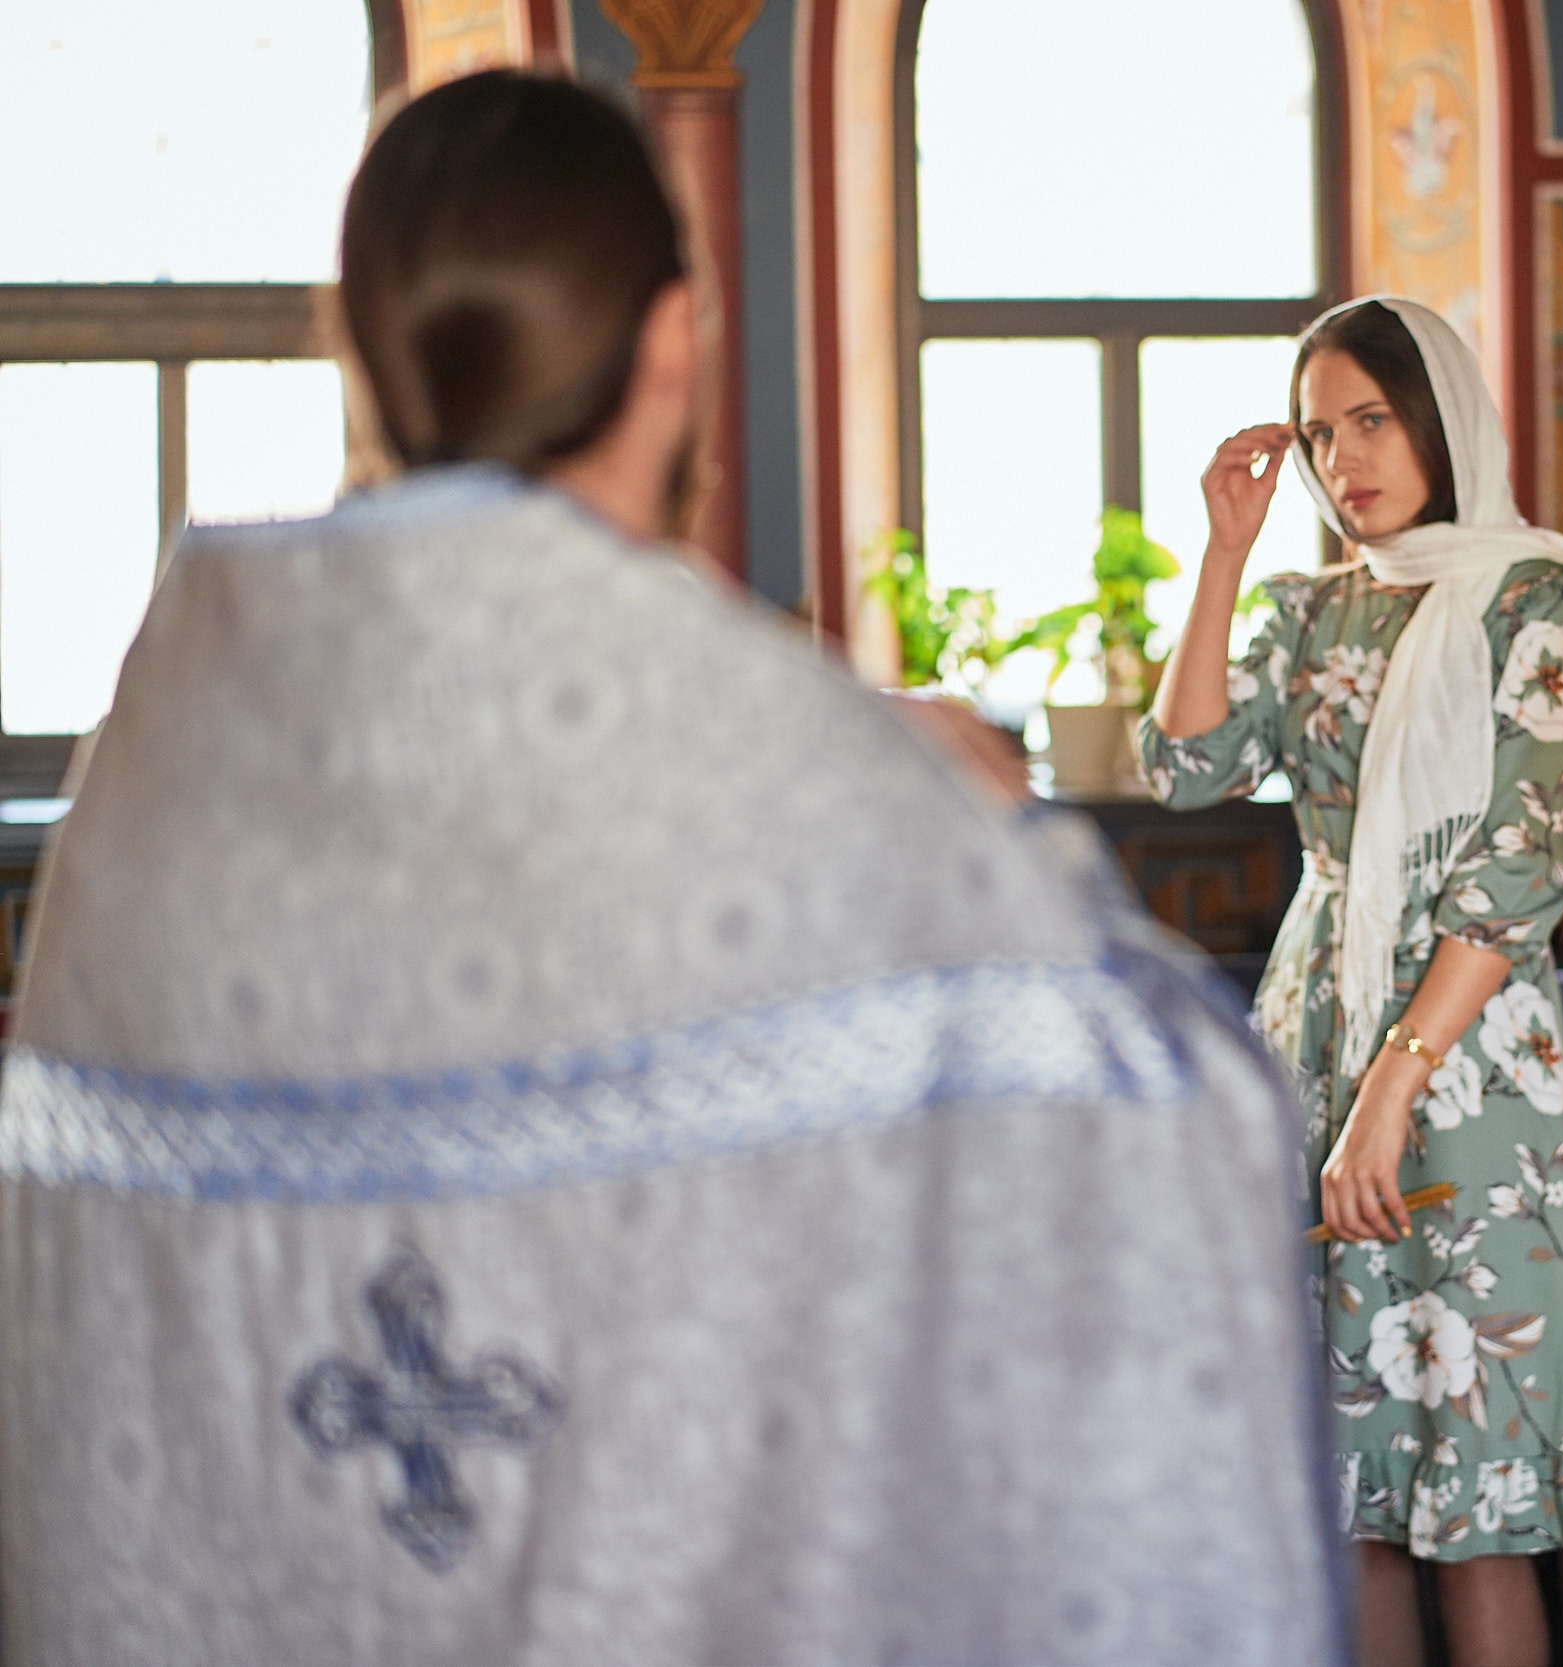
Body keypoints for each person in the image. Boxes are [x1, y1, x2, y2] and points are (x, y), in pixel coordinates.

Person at [0, 70, 1342, 1665]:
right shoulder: (810, 770)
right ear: (672, 343)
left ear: (357, 350)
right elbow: (1170, 1130)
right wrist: (1010, 839)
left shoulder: (153, 775)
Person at [1139, 296, 1563, 1667]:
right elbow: (1184, 767)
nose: (1343, 458)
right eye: (1319, 433)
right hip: (1315, 1020)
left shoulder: (1539, 599)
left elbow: (1525, 861)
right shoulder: (1308, 606)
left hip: (1466, 1054)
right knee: (1349, 1490)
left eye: (1371, 419)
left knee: (1473, 1490)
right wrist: (1225, 551)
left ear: (1442, 418)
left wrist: (1393, 1089)